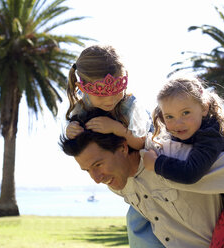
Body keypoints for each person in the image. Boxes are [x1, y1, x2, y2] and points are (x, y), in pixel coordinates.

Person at [59, 109, 224, 248]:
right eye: (87, 170)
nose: (96, 179)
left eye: (97, 165)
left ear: (123, 147)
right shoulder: (118, 182)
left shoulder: (174, 159)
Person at [142, 77, 224, 247]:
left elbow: (191, 173)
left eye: (185, 113)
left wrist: (157, 164)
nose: (177, 123)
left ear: (204, 108)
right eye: (169, 116)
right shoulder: (189, 129)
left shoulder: (211, 134)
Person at [65, 45, 163, 247]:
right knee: (136, 223)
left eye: (116, 91)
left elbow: (142, 142)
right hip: (130, 178)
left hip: (147, 160)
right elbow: (77, 139)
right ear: (83, 88)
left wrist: (118, 129)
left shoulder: (129, 106)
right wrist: (71, 130)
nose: (109, 100)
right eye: (101, 95)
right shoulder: (82, 107)